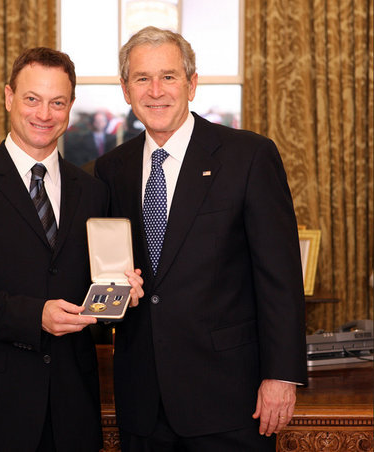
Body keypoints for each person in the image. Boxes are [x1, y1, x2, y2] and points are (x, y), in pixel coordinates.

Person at [95, 26, 307, 451]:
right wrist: (108, 299)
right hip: (142, 402)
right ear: (124, 89)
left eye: (169, 76)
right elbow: (108, 275)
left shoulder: (248, 156)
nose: (156, 91)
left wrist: (281, 376)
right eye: (142, 78)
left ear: (191, 84)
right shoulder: (109, 170)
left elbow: (279, 277)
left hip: (229, 399)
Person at [0, 47, 143, 452]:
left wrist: (119, 295)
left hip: (71, 413)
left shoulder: (94, 191)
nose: (44, 114)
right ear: (9, 97)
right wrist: (35, 316)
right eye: (32, 99)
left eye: (57, 102)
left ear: (70, 107)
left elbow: (93, 292)